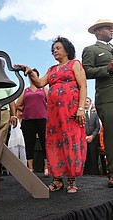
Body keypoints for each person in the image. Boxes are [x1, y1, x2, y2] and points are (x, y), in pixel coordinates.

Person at [15, 36, 87, 193]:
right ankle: (57, 179)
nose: (55, 50)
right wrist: (29, 72)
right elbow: (40, 83)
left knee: (70, 142)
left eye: (58, 48)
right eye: (53, 49)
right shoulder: (51, 70)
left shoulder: (75, 64)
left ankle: (72, 181)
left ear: (67, 50)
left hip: (71, 112)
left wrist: (81, 108)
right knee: (54, 143)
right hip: (54, 113)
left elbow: (83, 85)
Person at [82, 19, 113, 186]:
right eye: (108, 28)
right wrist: (106, 69)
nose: (112, 30)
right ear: (98, 32)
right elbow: (85, 71)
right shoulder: (91, 49)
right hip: (107, 98)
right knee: (111, 135)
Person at [16, 68, 49, 177]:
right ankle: (30, 168)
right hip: (28, 120)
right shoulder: (26, 91)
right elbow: (18, 105)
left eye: (34, 75)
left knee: (45, 143)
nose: (32, 78)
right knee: (29, 143)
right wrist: (25, 111)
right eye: (30, 76)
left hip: (42, 119)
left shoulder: (44, 89)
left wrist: (46, 111)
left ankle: (46, 167)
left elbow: (51, 103)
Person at [83, 97, 100, 175]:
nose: (86, 103)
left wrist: (92, 136)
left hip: (94, 139)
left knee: (93, 157)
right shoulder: (80, 114)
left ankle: (95, 174)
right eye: (85, 101)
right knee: (85, 158)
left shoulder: (95, 114)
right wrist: (85, 136)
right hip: (83, 139)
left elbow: (98, 126)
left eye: (87, 101)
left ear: (90, 103)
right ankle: (84, 173)